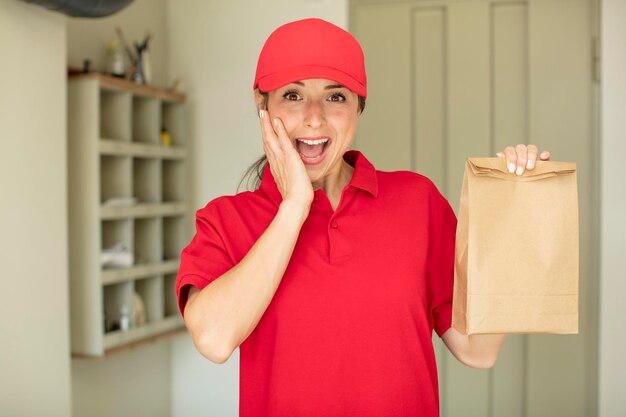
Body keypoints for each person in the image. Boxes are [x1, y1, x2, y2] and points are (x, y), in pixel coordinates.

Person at [176, 18, 551, 417]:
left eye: (335, 97)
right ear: (262, 105)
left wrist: (512, 214)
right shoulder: (225, 220)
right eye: (293, 95)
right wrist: (294, 208)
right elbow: (214, 339)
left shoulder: (417, 202)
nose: (315, 118)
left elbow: (478, 350)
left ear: (359, 106)